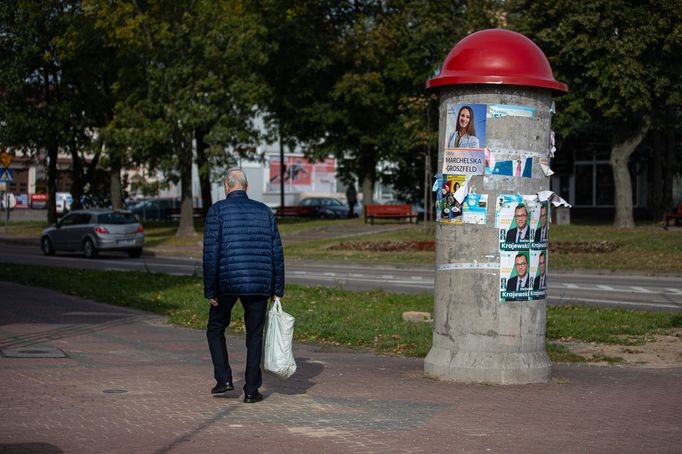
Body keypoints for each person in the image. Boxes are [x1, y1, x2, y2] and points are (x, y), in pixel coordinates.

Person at [203, 168, 285, 404]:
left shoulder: (217, 211)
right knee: (255, 335)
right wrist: (277, 288)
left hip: (226, 282)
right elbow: (276, 252)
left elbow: (211, 253)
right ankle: (251, 390)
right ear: (245, 187)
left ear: (227, 186)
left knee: (215, 327)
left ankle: (224, 379)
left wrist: (211, 289)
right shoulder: (264, 211)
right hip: (259, 283)